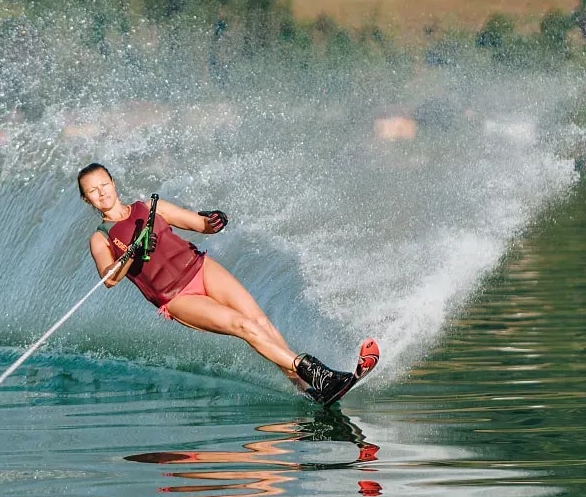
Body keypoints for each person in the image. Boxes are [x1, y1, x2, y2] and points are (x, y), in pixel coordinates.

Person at [77, 162, 376, 405]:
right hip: (176, 297)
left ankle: (308, 390)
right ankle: (319, 374)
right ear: (86, 199)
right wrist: (132, 252)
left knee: (259, 322)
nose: (102, 193)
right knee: (242, 326)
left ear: (113, 183)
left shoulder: (150, 207)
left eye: (104, 184)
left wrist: (214, 221)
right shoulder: (101, 238)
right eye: (93, 191)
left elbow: (200, 225)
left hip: (200, 268)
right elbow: (110, 278)